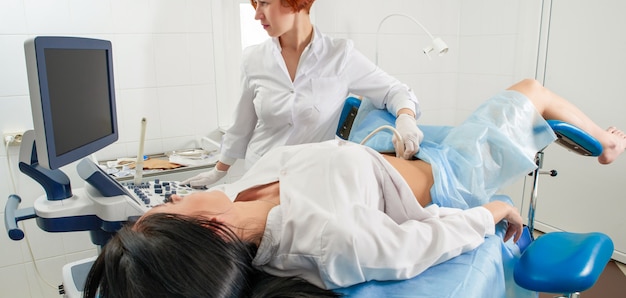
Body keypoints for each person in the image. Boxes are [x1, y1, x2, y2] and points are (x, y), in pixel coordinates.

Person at [84, 79, 626, 297]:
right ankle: (605, 143)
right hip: (448, 176)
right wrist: (492, 211)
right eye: (168, 206)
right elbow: (420, 242)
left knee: (380, 111)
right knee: (529, 91)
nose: (171, 196)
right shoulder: (325, 238)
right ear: (205, 228)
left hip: (385, 152)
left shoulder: (237, 196)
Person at [182, 0, 422, 188]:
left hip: (311, 182)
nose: (257, 14)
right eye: (255, 4)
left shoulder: (340, 56)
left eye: (264, 3)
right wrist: (219, 171)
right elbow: (241, 126)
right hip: (258, 178)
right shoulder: (253, 59)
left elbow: (395, 91)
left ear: (293, 0)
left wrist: (406, 119)